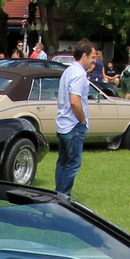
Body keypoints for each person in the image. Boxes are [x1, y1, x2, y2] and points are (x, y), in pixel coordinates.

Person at [53, 40, 99, 196]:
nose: (95, 60)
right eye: (93, 56)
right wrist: (83, 120)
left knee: (63, 163)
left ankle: (58, 195)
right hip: (73, 125)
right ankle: (63, 197)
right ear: (84, 55)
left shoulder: (69, 71)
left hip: (63, 124)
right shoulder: (79, 73)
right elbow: (74, 100)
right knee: (72, 164)